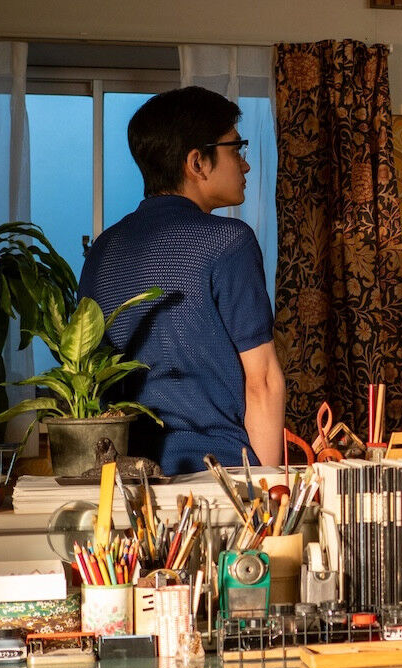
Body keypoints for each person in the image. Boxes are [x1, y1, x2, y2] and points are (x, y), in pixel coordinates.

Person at [79, 86, 285, 476]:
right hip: (218, 477)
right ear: (197, 162)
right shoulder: (228, 242)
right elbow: (262, 382)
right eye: (236, 149)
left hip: (123, 479)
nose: (245, 166)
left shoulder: (102, 250)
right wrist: (267, 489)